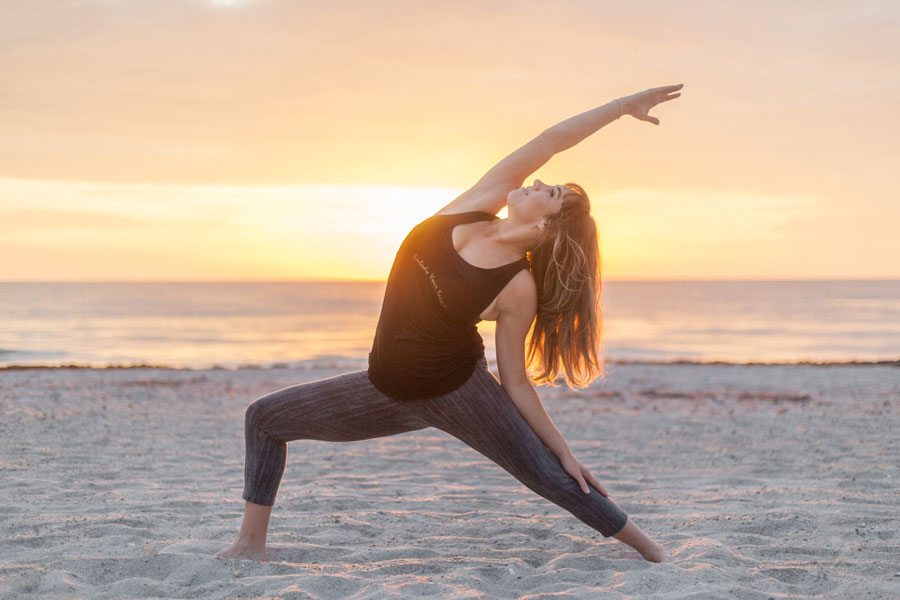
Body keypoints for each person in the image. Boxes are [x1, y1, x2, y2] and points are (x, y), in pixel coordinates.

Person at [217, 84, 684, 564]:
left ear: (547, 226)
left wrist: (563, 449)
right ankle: (250, 546)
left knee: (548, 476)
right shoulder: (473, 204)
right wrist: (620, 108)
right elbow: (550, 138)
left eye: (551, 192)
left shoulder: (516, 286)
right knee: (265, 419)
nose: (540, 180)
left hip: (459, 391)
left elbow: (516, 380)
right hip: (385, 387)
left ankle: (654, 552)